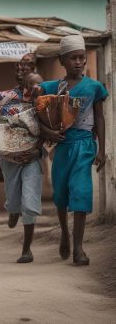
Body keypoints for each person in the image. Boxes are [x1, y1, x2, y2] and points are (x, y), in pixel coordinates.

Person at [39, 35, 107, 266]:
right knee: (60, 196)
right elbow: (33, 113)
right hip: (62, 147)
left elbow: (99, 117)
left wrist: (101, 150)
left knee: (81, 192)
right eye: (73, 58)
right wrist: (48, 133)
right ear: (62, 61)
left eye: (82, 58)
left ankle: (79, 248)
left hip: (85, 145)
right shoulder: (50, 87)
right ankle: (65, 234)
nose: (79, 62)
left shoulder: (94, 87)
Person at [0, 55, 44, 263]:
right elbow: (0, 128)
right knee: (15, 201)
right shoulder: (4, 97)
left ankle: (27, 250)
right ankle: (13, 209)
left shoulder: (43, 95)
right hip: (10, 157)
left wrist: (39, 150)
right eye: (20, 67)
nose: (23, 70)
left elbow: (48, 126)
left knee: (29, 202)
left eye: (28, 67)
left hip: (32, 156)